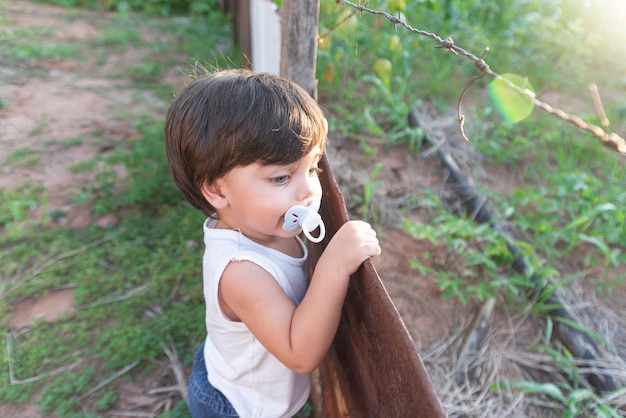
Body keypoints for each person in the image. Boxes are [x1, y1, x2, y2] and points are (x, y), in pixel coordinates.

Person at [164, 69, 381, 418]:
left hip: (246, 378)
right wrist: (335, 264)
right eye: (281, 177)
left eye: (312, 169)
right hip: (238, 406)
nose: (308, 190)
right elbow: (300, 352)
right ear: (218, 190)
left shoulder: (269, 226)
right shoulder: (240, 272)